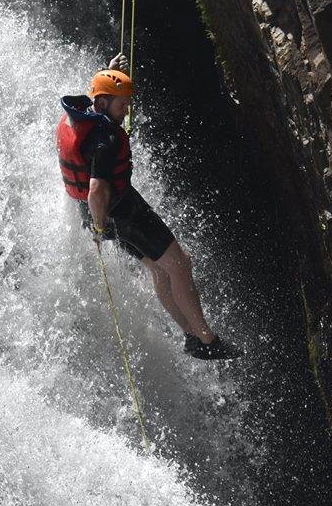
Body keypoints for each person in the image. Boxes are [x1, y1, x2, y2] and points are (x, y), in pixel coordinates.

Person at [55, 54, 242, 360]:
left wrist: (113, 74)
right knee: (179, 264)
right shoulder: (106, 139)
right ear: (104, 105)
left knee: (158, 267)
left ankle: (191, 337)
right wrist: (101, 227)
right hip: (120, 212)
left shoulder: (81, 115)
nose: (127, 109)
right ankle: (207, 340)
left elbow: (99, 98)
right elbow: (96, 190)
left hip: (97, 214)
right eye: (122, 104)